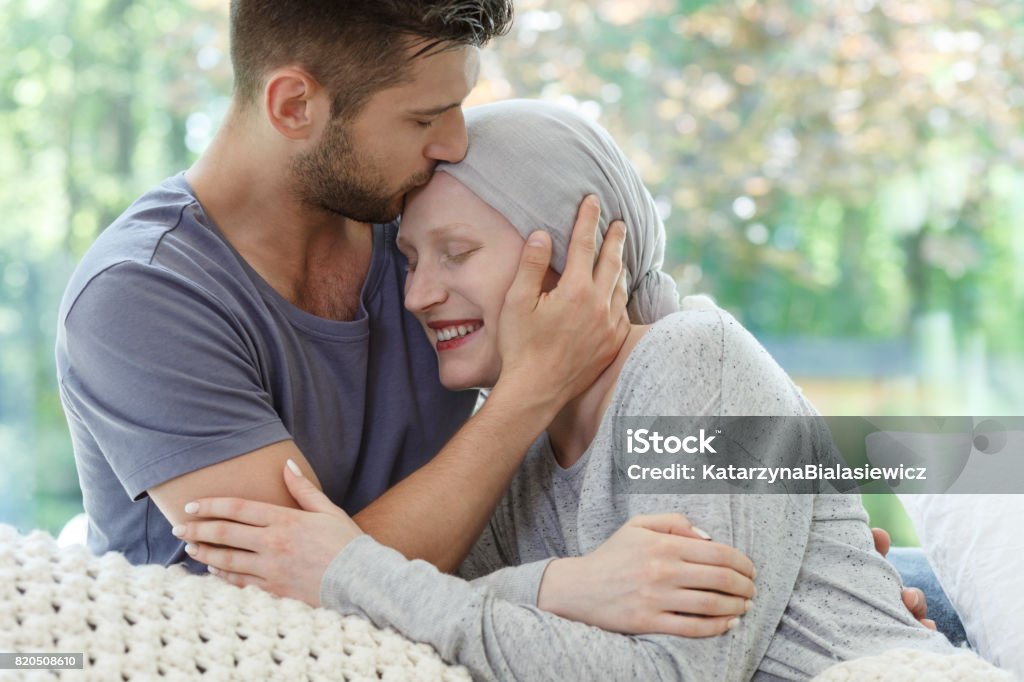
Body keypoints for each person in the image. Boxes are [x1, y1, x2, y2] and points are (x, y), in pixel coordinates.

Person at [177, 100, 965, 680]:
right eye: (412, 261)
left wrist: (350, 569)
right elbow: (449, 620)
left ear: (585, 250)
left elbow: (677, 672)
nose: (420, 296)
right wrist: (564, 589)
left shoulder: (694, 361)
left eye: (457, 252)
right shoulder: (508, 462)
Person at [54, 0, 637, 579]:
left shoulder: (421, 227)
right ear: (294, 106)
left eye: (458, 108)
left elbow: (707, 449)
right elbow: (300, 589)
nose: (455, 146)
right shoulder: (141, 295)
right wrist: (531, 391)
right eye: (424, 118)